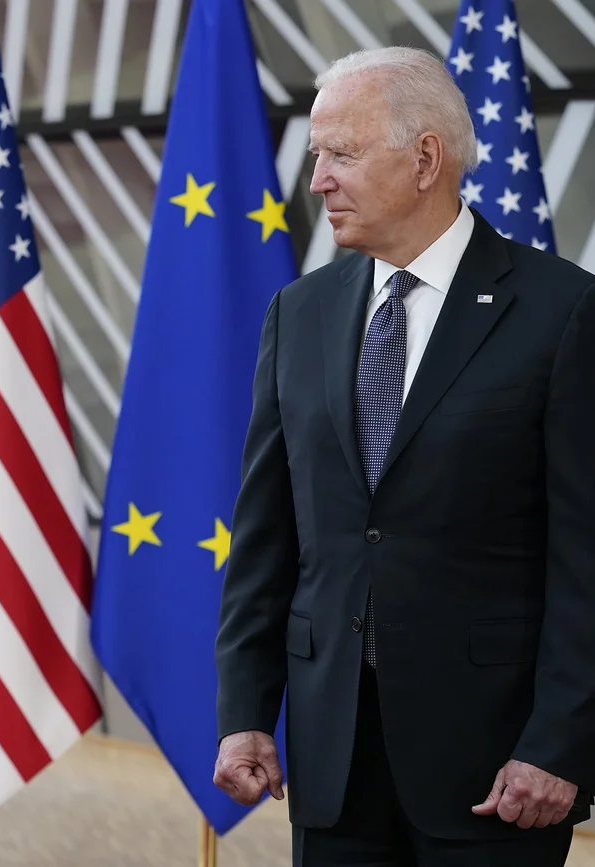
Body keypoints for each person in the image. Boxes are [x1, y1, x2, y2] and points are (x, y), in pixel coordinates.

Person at [213, 46, 595, 866]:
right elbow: (267, 537)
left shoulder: (563, 312)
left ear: (425, 158)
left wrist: (559, 742)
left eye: (340, 154)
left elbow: (587, 557)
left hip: (497, 773)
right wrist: (245, 707)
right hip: (331, 760)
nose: (317, 180)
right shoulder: (299, 313)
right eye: (317, 155)